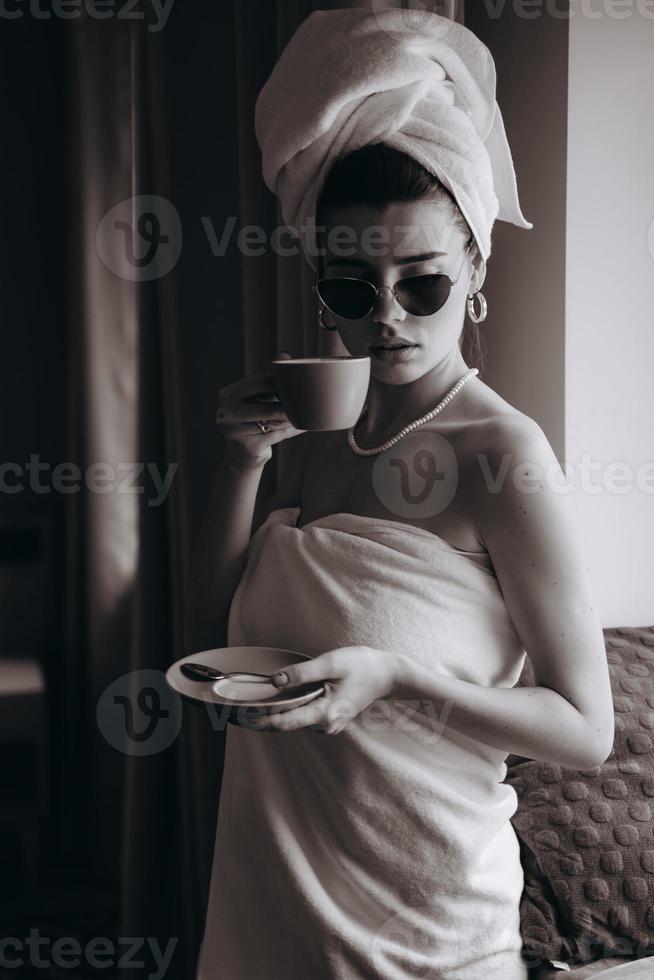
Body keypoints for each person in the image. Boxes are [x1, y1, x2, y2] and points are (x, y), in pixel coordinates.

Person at [187, 10, 614, 980]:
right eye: (351, 288)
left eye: (419, 285)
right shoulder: (308, 429)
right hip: (272, 888)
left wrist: (400, 679)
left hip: (423, 918)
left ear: (473, 274)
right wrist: (240, 464)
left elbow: (587, 730)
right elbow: (205, 634)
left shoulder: (501, 454)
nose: (384, 318)